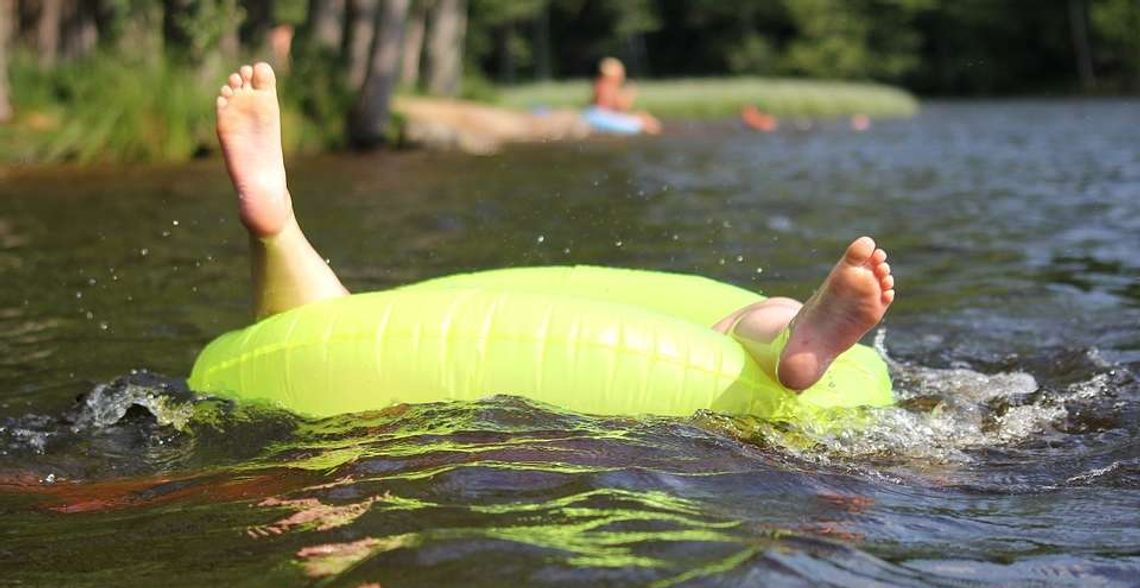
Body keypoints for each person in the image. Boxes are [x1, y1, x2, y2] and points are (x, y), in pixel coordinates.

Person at [215, 63, 894, 394]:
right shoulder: (609, 99)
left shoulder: (609, 95)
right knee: (737, 319)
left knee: (329, 326)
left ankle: (277, 228)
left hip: (336, 379)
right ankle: (792, 334)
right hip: (711, 390)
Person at [586, 57, 662, 135]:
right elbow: (619, 107)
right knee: (642, 124)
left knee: (642, 120)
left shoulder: (599, 83)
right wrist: (629, 95)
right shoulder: (608, 86)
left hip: (593, 114)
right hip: (600, 117)